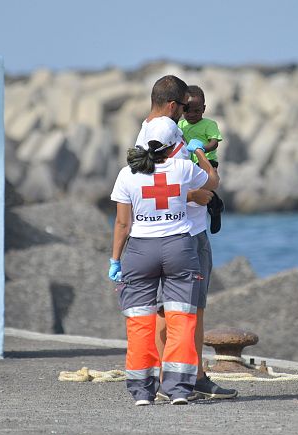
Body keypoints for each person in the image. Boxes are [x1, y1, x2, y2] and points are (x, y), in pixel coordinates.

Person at [109, 77, 219, 406]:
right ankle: (180, 389)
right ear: (174, 143)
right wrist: (199, 153)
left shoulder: (128, 173)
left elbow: (122, 223)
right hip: (179, 246)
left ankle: (142, 391)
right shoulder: (182, 168)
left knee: (140, 321)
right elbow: (211, 185)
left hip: (139, 250)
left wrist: (115, 260)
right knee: (182, 317)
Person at [152, 85, 237, 401]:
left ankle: (195, 375)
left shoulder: (169, 133)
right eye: (185, 108)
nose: (190, 114)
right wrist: (191, 193)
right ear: (175, 106)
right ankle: (166, 378)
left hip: (193, 230)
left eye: (197, 108)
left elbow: (208, 178)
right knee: (169, 309)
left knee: (194, 308)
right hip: (177, 233)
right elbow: (147, 182)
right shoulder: (166, 133)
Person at [178, 84, 225, 235]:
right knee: (193, 191)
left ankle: (216, 208)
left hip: (207, 161)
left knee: (206, 187)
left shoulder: (209, 124)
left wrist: (202, 149)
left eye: (196, 111)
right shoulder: (180, 124)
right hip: (189, 162)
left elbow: (214, 142)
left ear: (204, 109)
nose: (191, 114)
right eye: (187, 110)